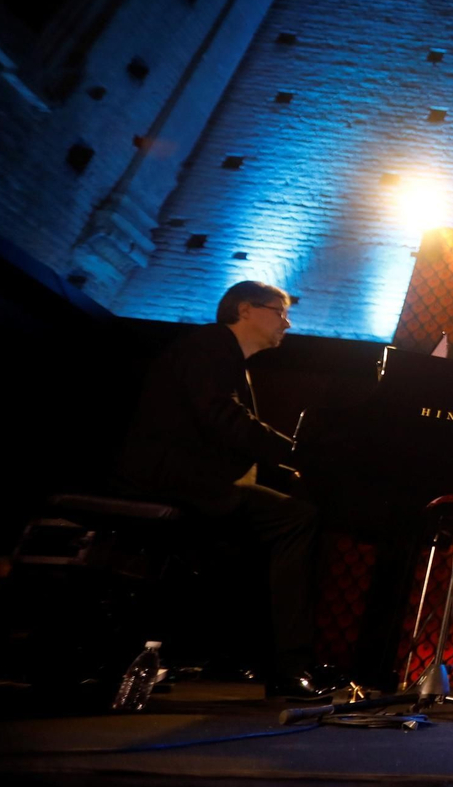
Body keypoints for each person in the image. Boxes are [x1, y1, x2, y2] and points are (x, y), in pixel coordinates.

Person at [116, 281, 336, 700]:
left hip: (182, 477)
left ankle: (240, 653)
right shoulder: (212, 345)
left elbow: (223, 428)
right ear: (246, 309)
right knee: (295, 519)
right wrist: (296, 454)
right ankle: (289, 667)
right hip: (166, 479)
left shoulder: (222, 354)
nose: (287, 323)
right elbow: (222, 417)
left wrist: (288, 464)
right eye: (281, 312)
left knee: (262, 528)